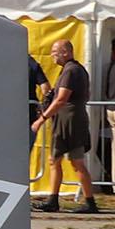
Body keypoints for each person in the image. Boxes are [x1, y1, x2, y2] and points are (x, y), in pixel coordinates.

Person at [32, 39, 97, 213]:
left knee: (77, 162)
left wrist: (41, 119)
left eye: (55, 51)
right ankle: (53, 200)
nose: (52, 55)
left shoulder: (71, 71)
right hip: (68, 119)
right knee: (55, 160)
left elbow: (61, 99)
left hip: (70, 122)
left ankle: (90, 202)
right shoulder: (76, 70)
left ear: (66, 52)